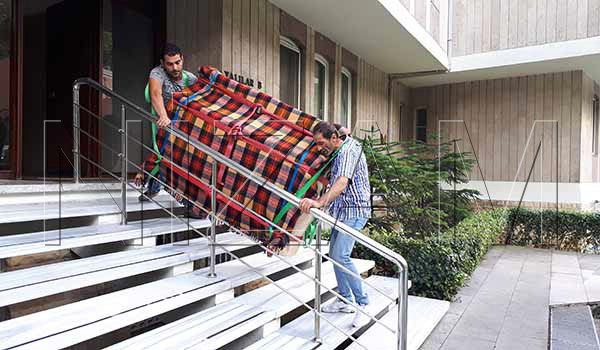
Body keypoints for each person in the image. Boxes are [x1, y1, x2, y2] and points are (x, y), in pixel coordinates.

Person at [299, 121, 372, 328]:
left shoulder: (347, 152)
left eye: (321, 142)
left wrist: (319, 203)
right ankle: (345, 299)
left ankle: (363, 304)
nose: (319, 147)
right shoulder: (343, 145)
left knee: (341, 255)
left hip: (354, 211)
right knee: (335, 254)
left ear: (333, 138)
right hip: (342, 211)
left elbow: (341, 183)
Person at [134, 43, 198, 205]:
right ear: (163, 63)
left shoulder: (190, 79)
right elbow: (156, 94)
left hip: (183, 125)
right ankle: (154, 187)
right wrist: (163, 116)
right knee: (162, 156)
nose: (175, 67)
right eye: (170, 64)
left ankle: (154, 187)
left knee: (175, 160)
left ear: (182, 59)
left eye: (178, 62)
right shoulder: (157, 73)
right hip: (164, 123)